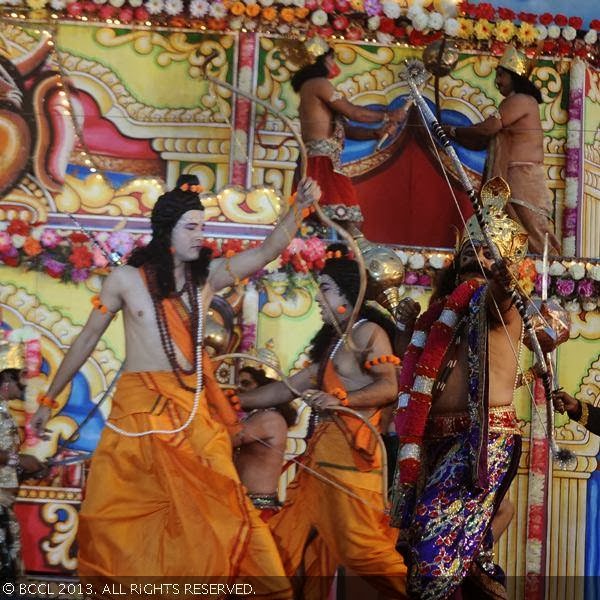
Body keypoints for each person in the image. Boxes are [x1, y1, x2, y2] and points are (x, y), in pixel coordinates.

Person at [29, 176, 320, 591]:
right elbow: (87, 339)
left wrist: (300, 208)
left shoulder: (208, 279)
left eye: (203, 227)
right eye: (192, 227)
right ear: (166, 231)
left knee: (221, 506)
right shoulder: (126, 280)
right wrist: (47, 399)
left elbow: (268, 250)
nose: (201, 237)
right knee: (123, 521)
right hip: (139, 415)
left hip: (192, 416)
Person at [239, 245, 407, 599]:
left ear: (350, 295)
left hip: (350, 464)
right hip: (318, 468)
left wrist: (342, 400)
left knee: (364, 552)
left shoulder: (368, 334)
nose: (319, 299)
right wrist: (224, 397)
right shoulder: (333, 345)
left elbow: (389, 386)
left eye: (326, 289)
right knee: (283, 545)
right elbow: (282, 391)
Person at [392, 178, 528, 600]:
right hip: (436, 438)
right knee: (426, 550)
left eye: (487, 253)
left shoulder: (497, 306)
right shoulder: (438, 318)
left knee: (434, 557)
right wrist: (407, 329)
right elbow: (419, 378)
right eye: (469, 253)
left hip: (480, 440)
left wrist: (503, 282)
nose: (476, 258)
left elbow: (498, 302)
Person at [444, 45, 560, 255]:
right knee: (509, 232)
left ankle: (549, 276)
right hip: (512, 177)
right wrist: (452, 134)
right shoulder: (517, 102)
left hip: (523, 177)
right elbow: (481, 139)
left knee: (534, 231)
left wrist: (452, 130)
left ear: (514, 76)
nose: (497, 81)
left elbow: (489, 128)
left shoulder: (521, 100)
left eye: (500, 75)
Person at [286, 37, 407, 226]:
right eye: (331, 59)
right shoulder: (318, 83)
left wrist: (374, 134)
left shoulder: (311, 86)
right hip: (321, 162)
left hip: (324, 161)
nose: (333, 64)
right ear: (323, 60)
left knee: (338, 220)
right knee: (343, 221)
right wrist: (388, 116)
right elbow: (354, 112)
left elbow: (345, 128)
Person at [0, 334, 48, 579]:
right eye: (21, 378)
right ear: (6, 377)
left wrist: (29, 467)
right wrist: (19, 460)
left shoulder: (3, 410)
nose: (26, 385)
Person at [234, 365, 296, 515]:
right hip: (243, 504)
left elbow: (227, 439)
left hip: (257, 508)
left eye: (246, 383)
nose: (239, 389)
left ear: (263, 388)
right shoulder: (258, 416)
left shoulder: (268, 417)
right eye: (237, 384)